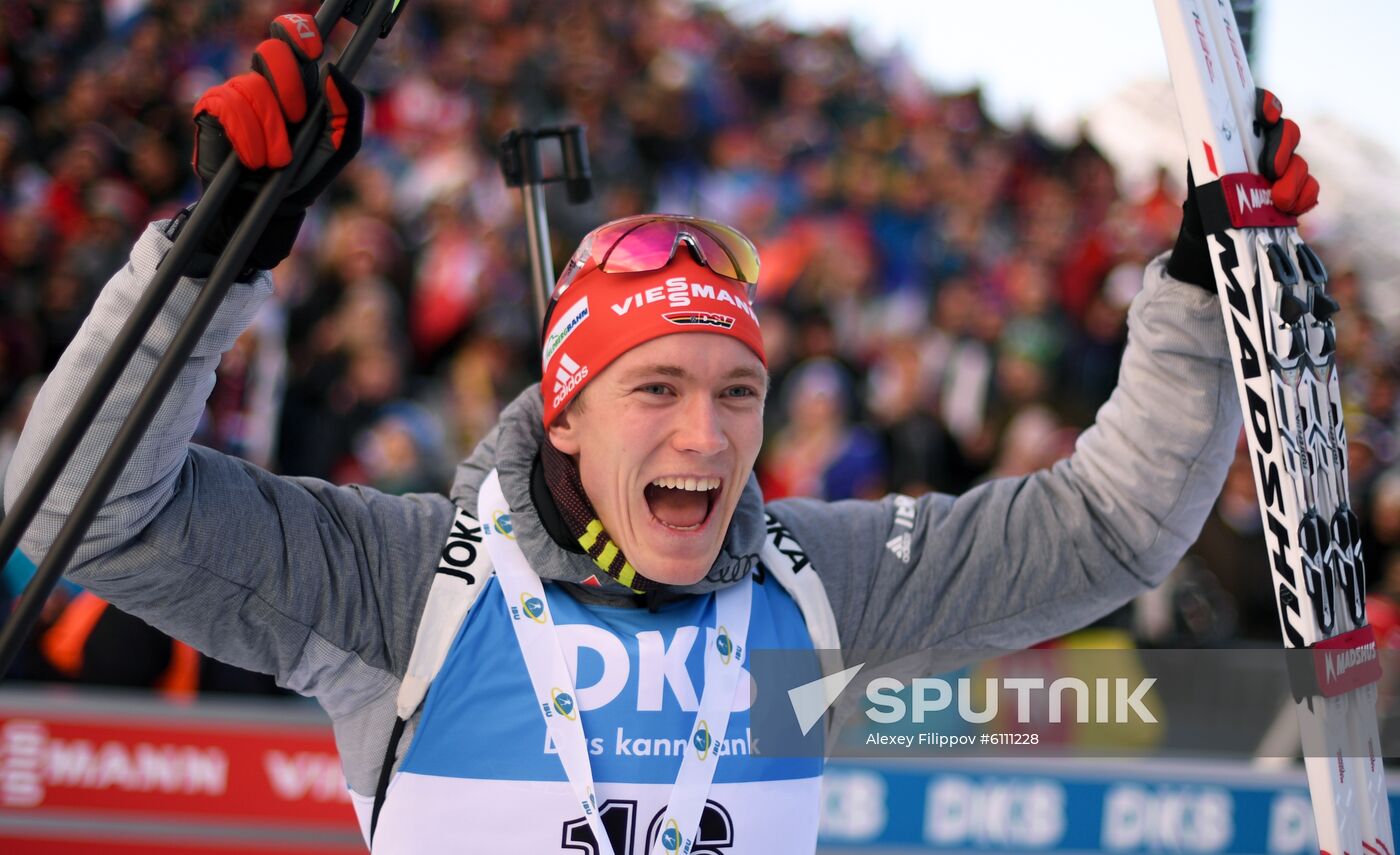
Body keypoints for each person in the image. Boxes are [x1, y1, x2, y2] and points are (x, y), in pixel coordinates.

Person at [3, 14, 1320, 855]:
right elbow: (90, 510)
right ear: (565, 408)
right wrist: (211, 256)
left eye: (737, 391)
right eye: (657, 388)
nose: (708, 435)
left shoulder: (814, 589)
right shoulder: (408, 584)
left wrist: (1200, 292)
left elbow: (1108, 527)